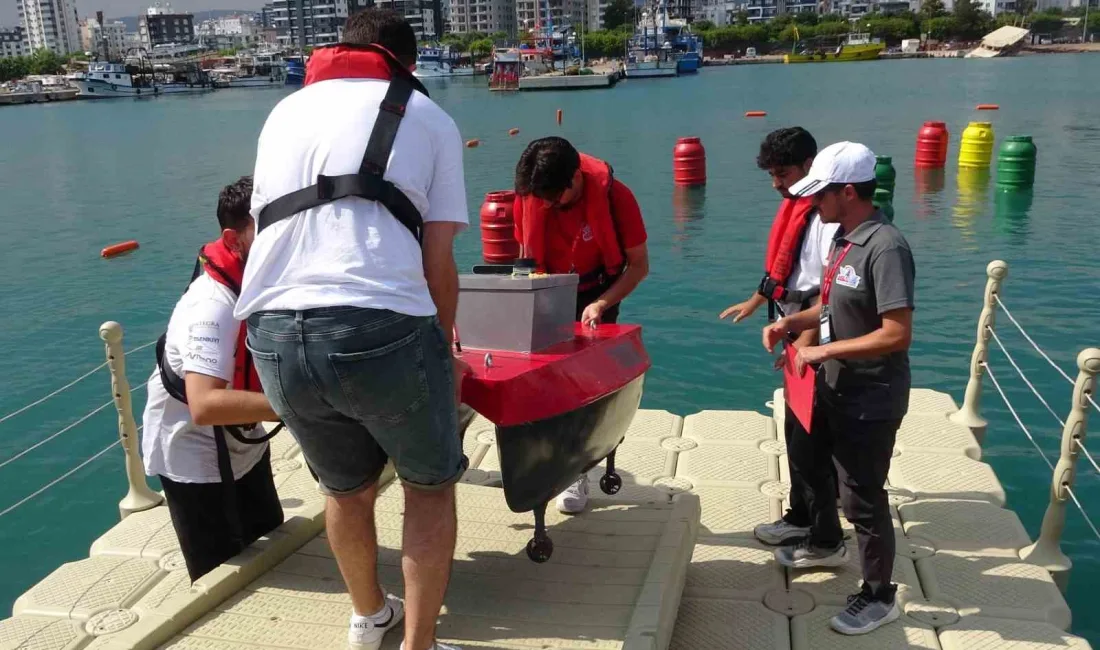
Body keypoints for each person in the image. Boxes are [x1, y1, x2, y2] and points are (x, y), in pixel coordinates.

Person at [236, 9, 468, 650]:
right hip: (380, 325)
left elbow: (267, 228)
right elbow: (437, 262)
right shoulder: (428, 118)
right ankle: (419, 645)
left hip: (275, 334)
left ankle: (369, 620)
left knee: (345, 488)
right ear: (407, 63)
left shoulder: (284, 112)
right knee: (428, 488)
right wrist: (442, 359)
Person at [762, 141, 916, 636]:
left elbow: (896, 332)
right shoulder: (840, 239)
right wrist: (790, 324)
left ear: (848, 192)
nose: (813, 204)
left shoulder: (886, 247)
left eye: (821, 195)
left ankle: (879, 595)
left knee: (863, 498)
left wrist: (823, 352)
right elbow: (830, 309)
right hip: (833, 387)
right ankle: (824, 540)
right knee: (812, 463)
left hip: (871, 395)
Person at [141, 176, 284, 583]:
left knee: (273, 552)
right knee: (221, 578)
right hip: (195, 460)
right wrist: (304, 407)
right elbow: (204, 405)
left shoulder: (258, 285)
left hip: (244, 444)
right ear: (233, 238)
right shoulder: (212, 306)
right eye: (268, 230)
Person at [513, 136, 650, 514]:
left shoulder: (617, 197)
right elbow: (521, 260)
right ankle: (539, 461)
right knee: (540, 386)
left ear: (575, 178)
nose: (545, 206)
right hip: (545, 293)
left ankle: (576, 472)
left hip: (598, 296)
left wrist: (603, 303)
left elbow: (639, 265)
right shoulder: (532, 197)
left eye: (553, 199)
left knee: (584, 389)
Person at [719, 127, 840, 547]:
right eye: (771, 174)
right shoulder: (798, 206)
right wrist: (756, 302)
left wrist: (803, 350)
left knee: (810, 442)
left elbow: (830, 296)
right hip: (796, 336)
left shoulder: (826, 219)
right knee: (796, 434)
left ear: (809, 165)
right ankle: (801, 515)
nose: (776, 184)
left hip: (816, 343)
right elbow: (786, 271)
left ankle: (822, 535)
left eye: (782, 173)